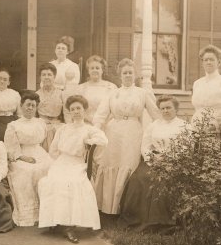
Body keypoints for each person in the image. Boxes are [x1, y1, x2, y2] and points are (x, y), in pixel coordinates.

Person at [92, 58, 160, 214]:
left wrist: (160, 131)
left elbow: (155, 114)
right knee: (111, 164)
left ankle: (127, 210)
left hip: (133, 132)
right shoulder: (112, 93)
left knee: (129, 164)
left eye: (130, 72)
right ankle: (108, 208)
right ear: (120, 75)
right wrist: (95, 131)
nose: (128, 75)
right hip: (113, 133)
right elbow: (101, 115)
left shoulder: (143, 93)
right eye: (125, 73)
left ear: (135, 74)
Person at [38, 95, 108, 243]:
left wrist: (88, 141)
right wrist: (58, 163)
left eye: (79, 108)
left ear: (84, 110)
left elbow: (103, 139)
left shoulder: (89, 129)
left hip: (77, 164)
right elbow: (54, 150)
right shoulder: (63, 129)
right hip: (62, 162)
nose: (76, 112)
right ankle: (56, 220)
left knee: (74, 184)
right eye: (72, 109)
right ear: (69, 112)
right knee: (53, 181)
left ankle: (69, 226)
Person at [119, 95, 186, 230]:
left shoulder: (184, 126)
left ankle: (160, 222)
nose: (165, 111)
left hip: (175, 161)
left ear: (176, 109)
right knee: (138, 178)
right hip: (153, 160)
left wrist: (169, 159)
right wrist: (152, 159)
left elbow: (185, 148)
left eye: (169, 108)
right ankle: (137, 219)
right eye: (163, 108)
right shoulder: (153, 125)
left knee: (160, 181)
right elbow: (146, 145)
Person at [4, 91, 52, 226]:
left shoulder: (41, 123)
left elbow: (43, 143)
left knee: (50, 168)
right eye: (28, 105)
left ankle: (48, 211)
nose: (30, 108)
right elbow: (10, 148)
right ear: (21, 106)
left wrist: (43, 156)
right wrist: (24, 157)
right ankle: (29, 214)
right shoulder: (14, 125)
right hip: (20, 155)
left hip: (39, 152)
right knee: (27, 171)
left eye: (33, 105)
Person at [77, 55, 117, 124]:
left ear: (102, 70)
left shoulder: (111, 87)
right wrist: (91, 121)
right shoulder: (81, 88)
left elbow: (115, 109)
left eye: (97, 68)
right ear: (88, 71)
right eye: (92, 68)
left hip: (106, 124)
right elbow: (77, 108)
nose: (94, 70)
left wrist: (103, 122)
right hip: (86, 123)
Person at [192, 44, 221, 127]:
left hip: (217, 128)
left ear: (219, 62)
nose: (208, 62)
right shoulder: (197, 83)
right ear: (202, 63)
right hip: (197, 127)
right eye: (206, 60)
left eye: (211, 59)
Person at [36, 63, 63, 152]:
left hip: (57, 124)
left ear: (54, 76)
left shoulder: (61, 93)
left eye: (49, 74)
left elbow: (66, 113)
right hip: (41, 123)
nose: (46, 77)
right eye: (44, 75)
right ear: (40, 77)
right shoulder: (37, 94)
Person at [0, 69, 22, 141]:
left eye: (5, 79)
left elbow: (20, 113)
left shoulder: (14, 94)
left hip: (13, 120)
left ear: (9, 82)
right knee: (3, 134)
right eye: (0, 78)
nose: (2, 81)